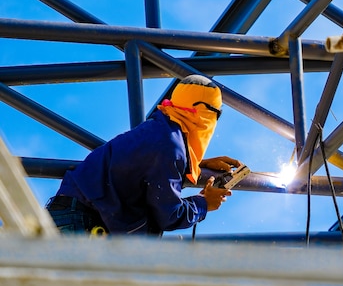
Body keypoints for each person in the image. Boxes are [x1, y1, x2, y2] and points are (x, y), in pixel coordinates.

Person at [45, 74, 242, 236]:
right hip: (83, 227)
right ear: (204, 112)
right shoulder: (169, 147)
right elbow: (170, 215)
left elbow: (150, 173)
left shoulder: (159, 130)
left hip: (70, 216)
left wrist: (197, 165)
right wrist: (204, 203)